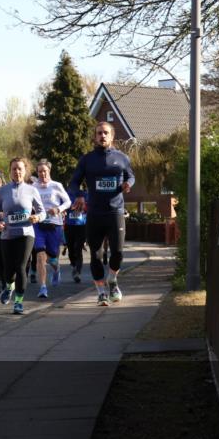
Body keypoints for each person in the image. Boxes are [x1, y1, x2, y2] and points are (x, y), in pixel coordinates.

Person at [68, 122, 135, 306]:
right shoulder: (87, 160)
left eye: (106, 133)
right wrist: (80, 196)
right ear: (94, 137)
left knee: (118, 252)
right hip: (95, 213)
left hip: (115, 211)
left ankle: (112, 279)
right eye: (99, 133)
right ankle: (101, 292)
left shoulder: (122, 158)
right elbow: (74, 183)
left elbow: (131, 175)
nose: (102, 136)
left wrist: (129, 184)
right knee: (95, 256)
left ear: (112, 136)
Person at [0, 158, 45, 314]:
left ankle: (19, 302)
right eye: (14, 169)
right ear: (10, 171)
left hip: (26, 233)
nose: (17, 171)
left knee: (21, 267)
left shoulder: (32, 190)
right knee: (8, 269)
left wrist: (37, 217)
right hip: (7, 234)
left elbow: (42, 211)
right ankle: (8, 287)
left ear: (25, 170)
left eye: (20, 169)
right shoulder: (2, 190)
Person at [33, 160, 71, 298]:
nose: (42, 174)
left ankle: (56, 269)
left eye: (45, 171)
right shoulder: (33, 187)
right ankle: (43, 287)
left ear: (49, 172)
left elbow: (68, 202)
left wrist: (58, 209)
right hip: (39, 225)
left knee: (52, 258)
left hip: (55, 225)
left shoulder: (56, 186)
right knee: (40, 256)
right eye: (40, 172)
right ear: (37, 173)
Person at [65, 189, 88, 282]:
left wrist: (83, 206)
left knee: (77, 248)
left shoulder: (86, 194)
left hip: (81, 226)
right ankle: (74, 266)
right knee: (71, 250)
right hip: (69, 226)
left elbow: (90, 206)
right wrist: (70, 207)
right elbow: (62, 206)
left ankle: (77, 271)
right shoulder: (67, 194)